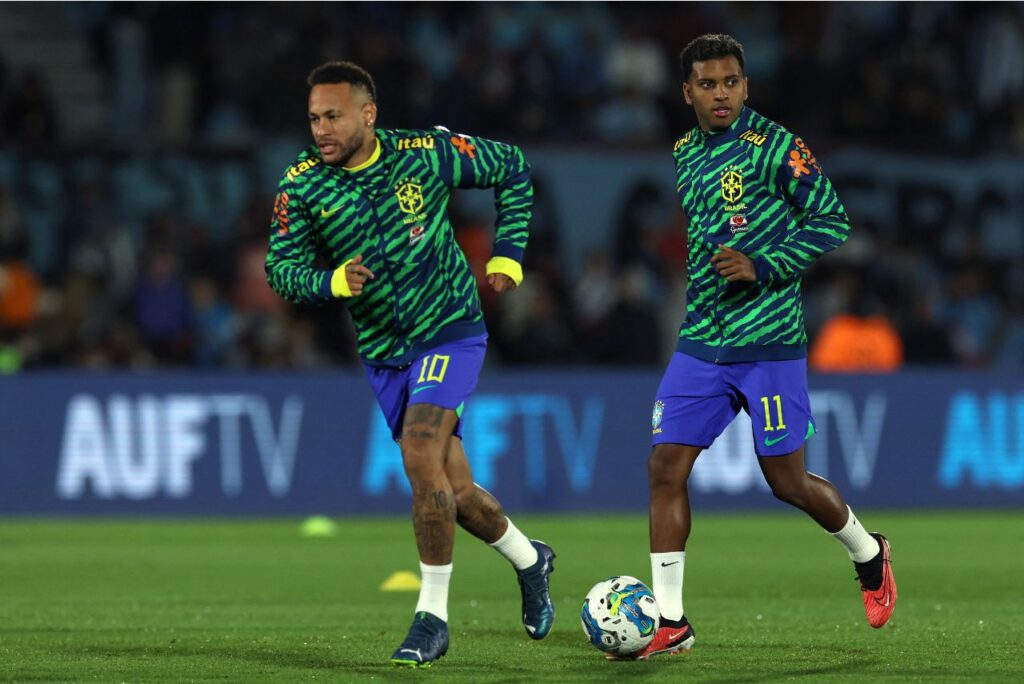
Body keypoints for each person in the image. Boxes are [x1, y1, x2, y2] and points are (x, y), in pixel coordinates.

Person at [264, 61, 555, 668]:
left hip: (449, 328)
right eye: (314, 117)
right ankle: (532, 561)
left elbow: (514, 169)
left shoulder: (425, 153)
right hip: (384, 351)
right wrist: (331, 279)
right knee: (455, 488)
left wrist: (508, 254)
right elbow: (281, 270)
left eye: (334, 116)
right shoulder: (300, 185)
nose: (321, 129)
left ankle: (432, 618)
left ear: (368, 114)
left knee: (420, 449)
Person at [623, 34, 898, 661]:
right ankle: (671, 622)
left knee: (788, 482)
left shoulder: (778, 147)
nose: (721, 94)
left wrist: (764, 264)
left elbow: (832, 220)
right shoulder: (685, 151)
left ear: (745, 86)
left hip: (770, 343)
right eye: (708, 84)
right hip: (701, 342)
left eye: (731, 83)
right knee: (664, 467)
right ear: (687, 92)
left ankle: (868, 551)